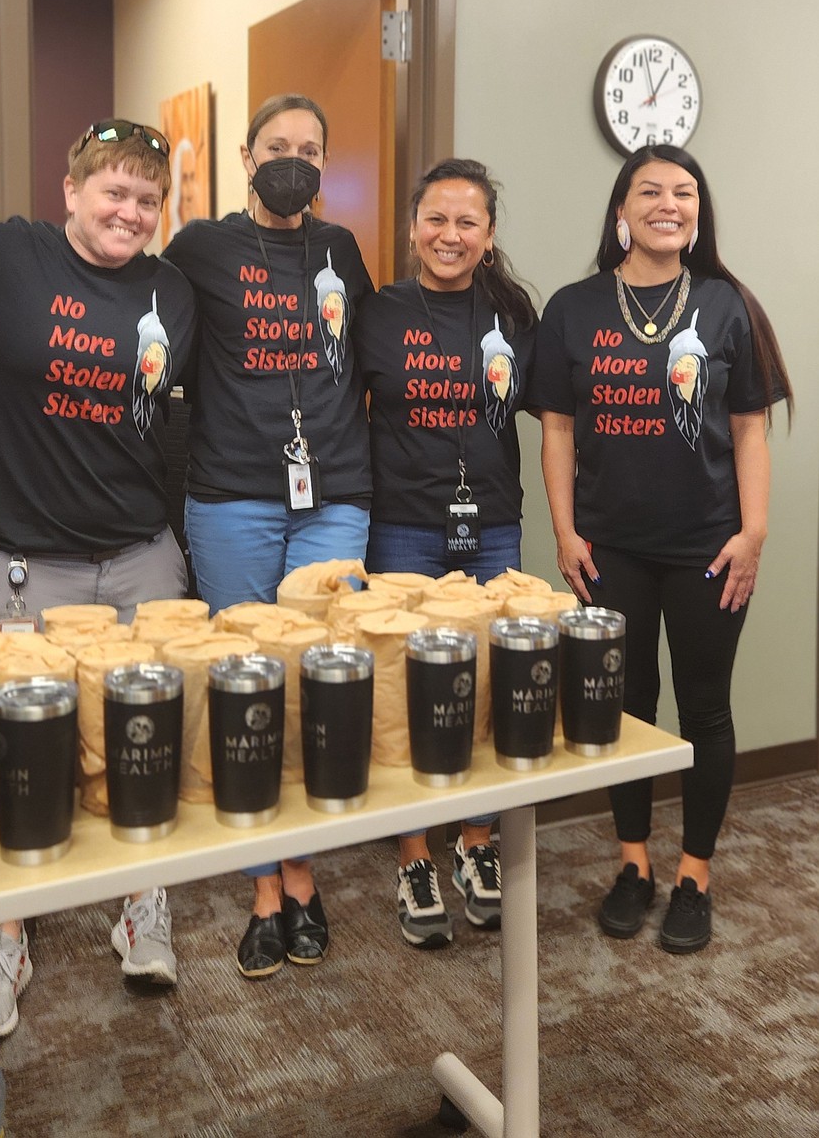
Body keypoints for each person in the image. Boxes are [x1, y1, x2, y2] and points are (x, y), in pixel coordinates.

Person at [0, 119, 197, 1036]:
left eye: (147, 199)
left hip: (141, 557)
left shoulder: (173, 292)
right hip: (17, 568)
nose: (130, 211)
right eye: (113, 191)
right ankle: (3, 940)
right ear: (70, 190)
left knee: (146, 741)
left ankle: (142, 907)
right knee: (10, 759)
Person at [532, 144, 792, 953]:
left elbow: (749, 428)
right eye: (650, 190)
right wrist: (566, 530)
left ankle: (694, 875)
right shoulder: (573, 308)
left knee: (704, 707)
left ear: (698, 213)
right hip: (610, 548)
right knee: (626, 707)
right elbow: (557, 429)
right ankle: (634, 864)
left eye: (684, 192)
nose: (668, 203)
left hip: (708, 547)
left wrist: (752, 532)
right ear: (621, 211)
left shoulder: (725, 305)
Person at [164, 94, 373, 979]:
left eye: (310, 148)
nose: (294, 159)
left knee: (321, 682)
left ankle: (306, 875)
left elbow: (364, 359)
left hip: (334, 494)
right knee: (247, 684)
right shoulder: (201, 248)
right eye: (277, 146)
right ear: (246, 158)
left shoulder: (340, 250)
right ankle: (264, 887)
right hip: (232, 496)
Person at [356, 158, 537, 949]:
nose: (450, 235)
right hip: (401, 526)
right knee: (408, 693)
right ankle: (414, 854)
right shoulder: (379, 312)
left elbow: (561, 413)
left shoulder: (515, 317)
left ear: (489, 235)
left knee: (491, 684)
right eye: (436, 218)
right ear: (413, 225)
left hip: (491, 522)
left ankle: (476, 841)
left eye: (468, 222)